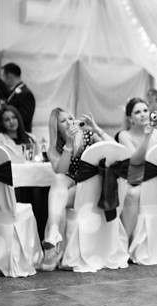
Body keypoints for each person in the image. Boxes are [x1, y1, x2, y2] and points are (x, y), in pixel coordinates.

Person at [40, 107, 111, 270]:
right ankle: (56, 238)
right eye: (63, 121)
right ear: (56, 127)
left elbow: (114, 150)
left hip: (93, 186)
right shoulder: (54, 147)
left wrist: (97, 130)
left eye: (71, 119)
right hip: (73, 189)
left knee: (59, 197)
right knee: (59, 182)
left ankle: (55, 244)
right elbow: (61, 171)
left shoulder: (87, 135)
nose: (69, 123)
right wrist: (69, 145)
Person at [118, 97, 157, 239]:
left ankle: (125, 241)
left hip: (156, 180)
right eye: (137, 112)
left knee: (132, 195)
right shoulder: (124, 135)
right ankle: (120, 240)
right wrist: (147, 137)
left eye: (145, 110)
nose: (143, 114)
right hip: (134, 180)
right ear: (130, 119)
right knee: (124, 192)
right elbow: (135, 160)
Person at [1, 62, 36, 134]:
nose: (2, 80)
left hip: (19, 137)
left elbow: (24, 119)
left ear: (9, 77)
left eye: (3, 76)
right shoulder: (11, 93)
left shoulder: (26, 94)